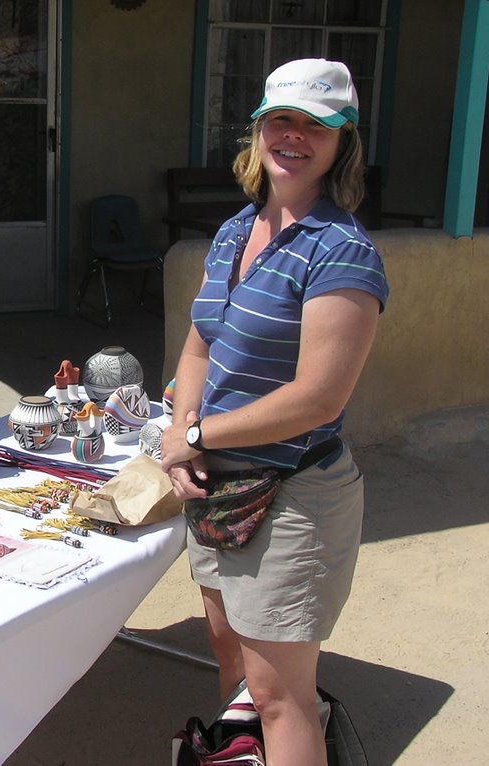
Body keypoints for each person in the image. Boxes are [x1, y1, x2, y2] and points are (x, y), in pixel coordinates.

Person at [160, 58, 389, 766]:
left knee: (280, 696)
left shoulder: (341, 250)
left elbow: (319, 397)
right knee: (234, 671)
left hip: (292, 495)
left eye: (315, 125)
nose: (293, 136)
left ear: (341, 142)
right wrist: (178, 433)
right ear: (258, 129)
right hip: (219, 489)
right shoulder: (237, 231)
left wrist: (197, 433)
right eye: (280, 119)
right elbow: (200, 344)